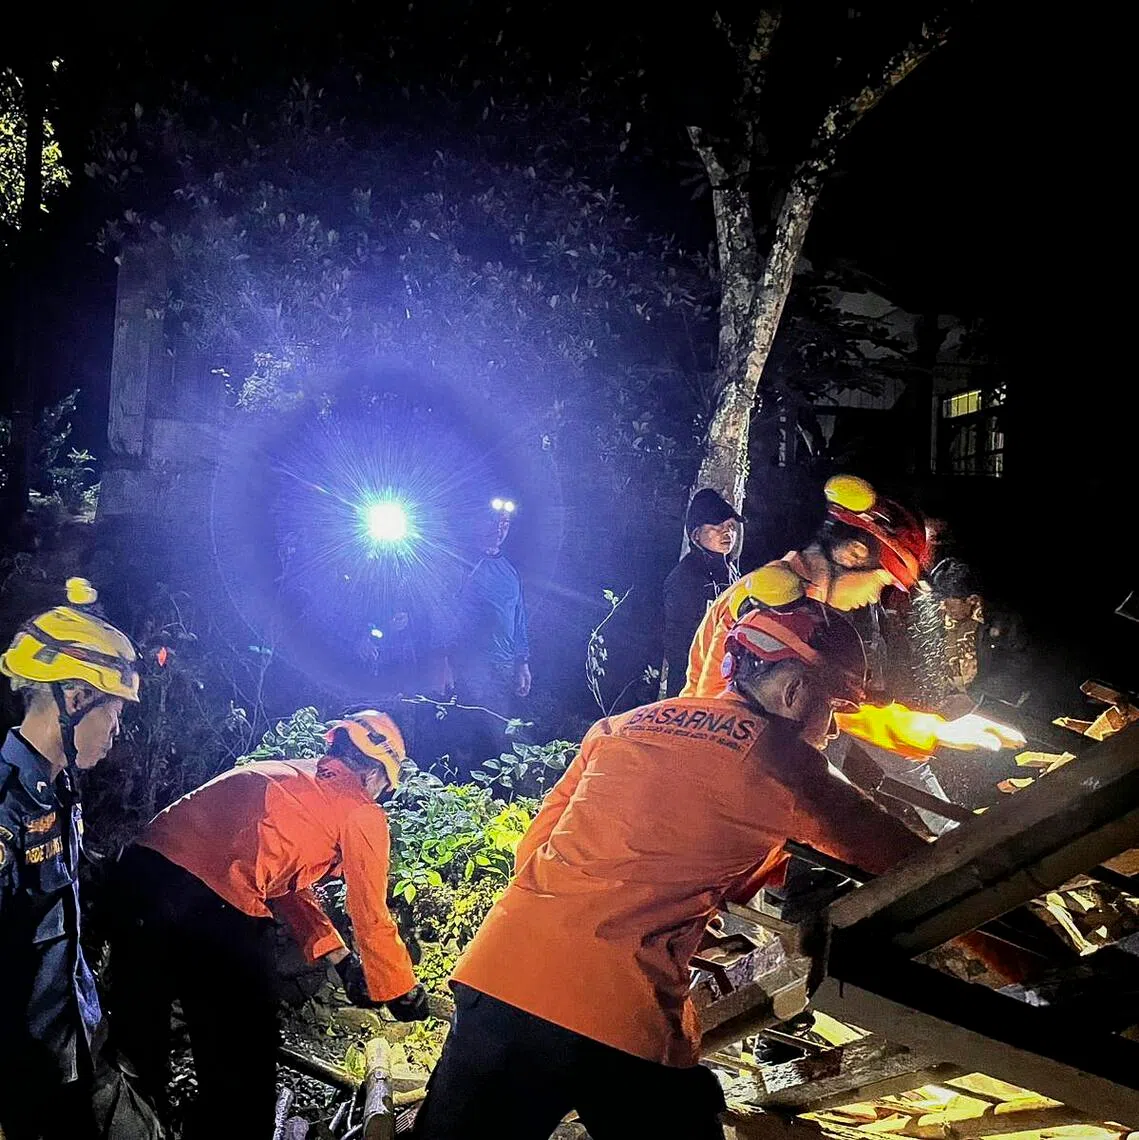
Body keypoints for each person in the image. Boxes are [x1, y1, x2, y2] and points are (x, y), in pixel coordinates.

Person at [412, 602, 929, 1140]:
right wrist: (1020, 958)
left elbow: (534, 850)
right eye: (833, 708)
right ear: (796, 693)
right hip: (615, 1010)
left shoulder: (621, 725)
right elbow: (927, 867)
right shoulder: (788, 764)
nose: (832, 729)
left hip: (502, 975)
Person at [109, 709, 428, 1139]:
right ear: (375, 772)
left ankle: (131, 1124)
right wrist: (399, 989)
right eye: (384, 787)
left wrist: (340, 959)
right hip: (213, 904)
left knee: (138, 1037)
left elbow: (284, 887)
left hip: (137, 877)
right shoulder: (359, 808)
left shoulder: (289, 777)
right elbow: (370, 911)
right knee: (243, 1055)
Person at [681, 475, 1025, 759]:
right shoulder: (764, 604)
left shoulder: (810, 610)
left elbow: (835, 709)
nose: (876, 596)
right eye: (882, 581)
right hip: (713, 758)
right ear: (854, 553)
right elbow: (715, 714)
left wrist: (927, 729)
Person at [0, 578, 138, 1140]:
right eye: (114, 713)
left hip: (81, 1045)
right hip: (25, 1078)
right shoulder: (5, 808)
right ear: (75, 698)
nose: (117, 732)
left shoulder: (58, 792)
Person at [443, 497, 531, 766]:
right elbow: (443, 614)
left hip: (502, 666)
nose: (499, 528)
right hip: (470, 665)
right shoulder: (461, 564)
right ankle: (457, 788)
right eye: (494, 521)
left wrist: (522, 663)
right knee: (465, 733)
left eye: (505, 523)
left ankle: (494, 794)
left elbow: (519, 619)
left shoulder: (510, 571)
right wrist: (443, 662)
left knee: (498, 733)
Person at [662, 489, 743, 697]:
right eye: (717, 526)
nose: (727, 533)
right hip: (694, 686)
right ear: (696, 535)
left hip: (726, 680)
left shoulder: (733, 575)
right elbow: (679, 646)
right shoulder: (685, 577)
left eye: (730, 526)